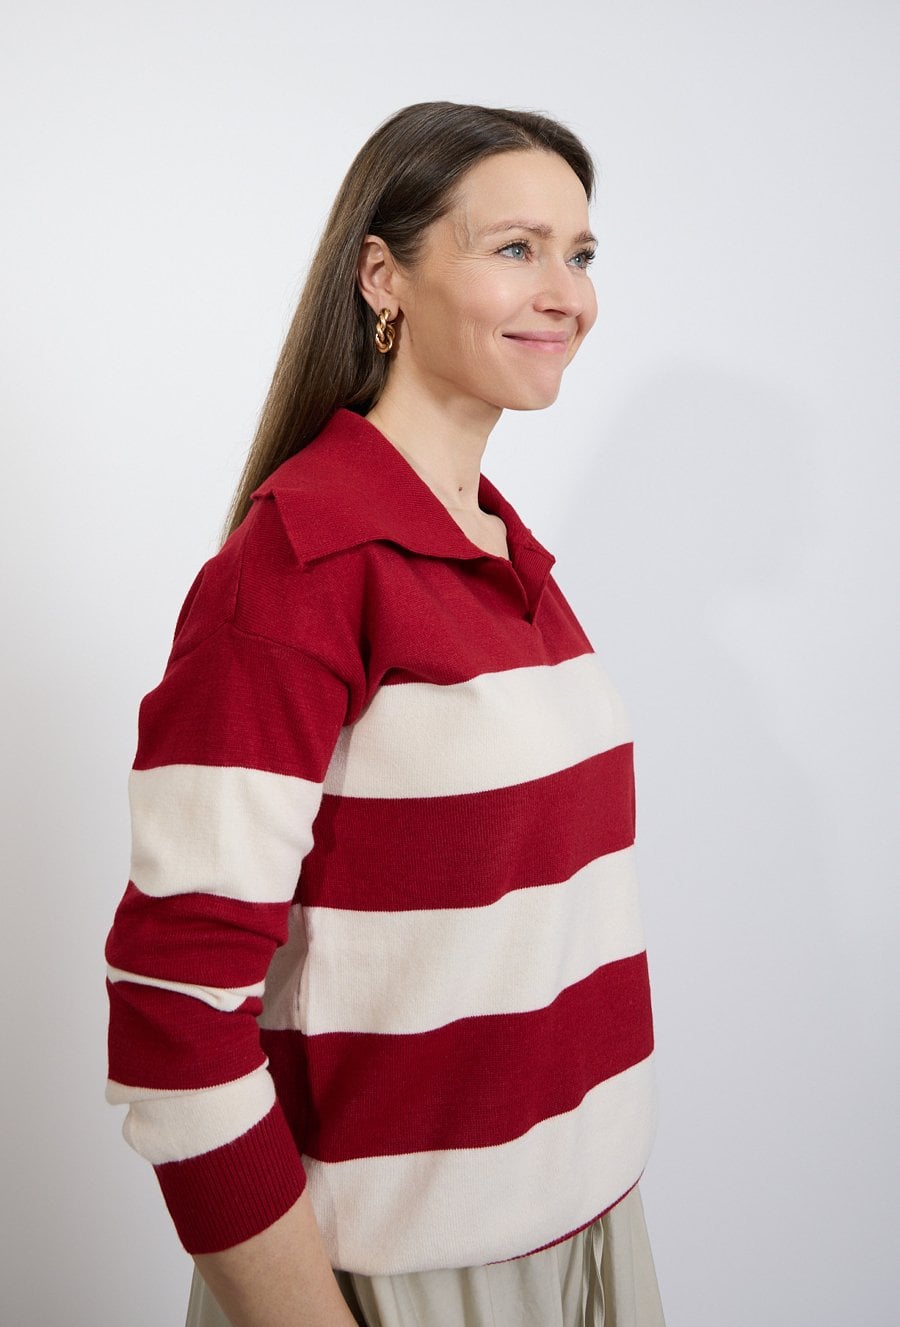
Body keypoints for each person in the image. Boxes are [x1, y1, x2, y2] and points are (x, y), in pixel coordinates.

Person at [105, 101, 665, 1327]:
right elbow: (173, 1021)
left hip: (589, 1233)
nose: (567, 293)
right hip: (405, 1278)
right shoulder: (300, 567)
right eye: (515, 247)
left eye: (580, 253)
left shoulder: (502, 549)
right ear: (383, 277)